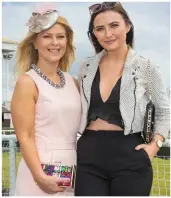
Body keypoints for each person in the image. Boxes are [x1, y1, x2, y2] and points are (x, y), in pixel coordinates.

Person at [75, 2, 170, 196]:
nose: (107, 34)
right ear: (94, 34)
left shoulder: (147, 67)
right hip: (88, 155)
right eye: (100, 29)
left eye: (114, 25)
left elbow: (165, 111)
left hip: (131, 155)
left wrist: (154, 146)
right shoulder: (86, 67)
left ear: (128, 26)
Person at [11, 8, 81, 196]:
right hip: (38, 170)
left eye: (60, 36)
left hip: (71, 171)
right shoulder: (27, 82)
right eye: (47, 36)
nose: (55, 43)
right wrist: (39, 176)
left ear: (67, 41)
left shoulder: (73, 82)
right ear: (34, 42)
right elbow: (25, 136)